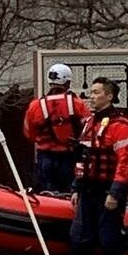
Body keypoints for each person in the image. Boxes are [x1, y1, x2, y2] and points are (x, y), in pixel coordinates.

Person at [70, 76, 128, 255]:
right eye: (91, 92)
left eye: (96, 92)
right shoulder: (90, 123)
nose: (91, 96)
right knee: (80, 239)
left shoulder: (121, 127)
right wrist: (76, 187)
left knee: (109, 238)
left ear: (109, 96)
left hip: (108, 187)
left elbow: (126, 162)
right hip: (88, 187)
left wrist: (115, 193)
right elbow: (82, 158)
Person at [22, 63, 90, 194]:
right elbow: (88, 129)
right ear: (68, 82)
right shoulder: (77, 103)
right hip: (69, 158)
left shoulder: (35, 106)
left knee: (46, 195)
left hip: (45, 158)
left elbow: (29, 133)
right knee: (69, 194)